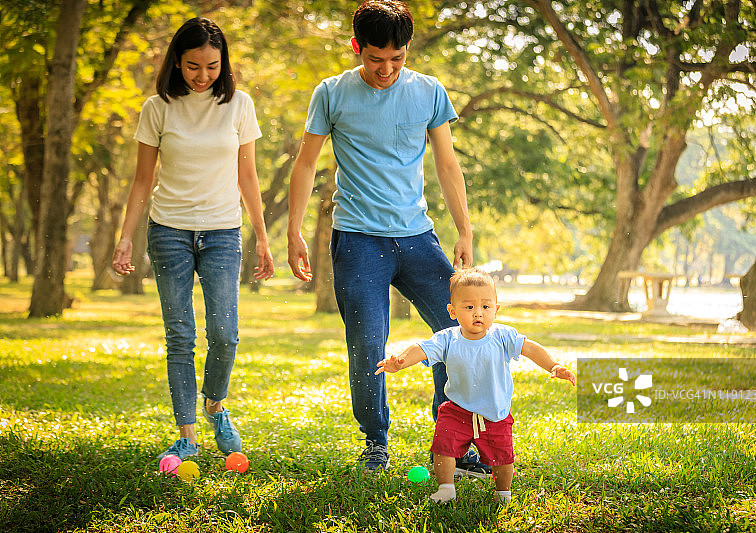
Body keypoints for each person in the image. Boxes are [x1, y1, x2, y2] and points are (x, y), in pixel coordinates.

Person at [287, 0, 486, 474]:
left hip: (418, 238)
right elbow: (306, 163)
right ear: (357, 48)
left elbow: (446, 163)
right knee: (368, 345)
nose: (387, 69)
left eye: (397, 58)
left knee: (458, 334)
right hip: (358, 240)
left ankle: (454, 444)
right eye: (376, 59)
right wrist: (293, 231)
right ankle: (376, 440)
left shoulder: (429, 92)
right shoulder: (331, 93)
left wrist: (464, 228)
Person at [112, 17, 274, 460]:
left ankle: (215, 405)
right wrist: (125, 237)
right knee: (180, 334)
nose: (203, 76)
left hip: (222, 230)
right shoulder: (157, 107)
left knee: (225, 334)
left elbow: (248, 175)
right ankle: (186, 433)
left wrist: (261, 236)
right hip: (169, 231)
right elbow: (143, 180)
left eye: (211, 66)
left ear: (223, 64)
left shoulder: (239, 105)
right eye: (192, 66)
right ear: (176, 63)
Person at [376, 268, 576, 504]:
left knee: (503, 457)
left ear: (496, 309)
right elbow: (421, 349)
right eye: (469, 307)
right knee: (443, 448)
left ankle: (503, 492)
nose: (478, 313)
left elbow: (530, 348)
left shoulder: (502, 335)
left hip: (495, 412)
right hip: (457, 409)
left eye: (485, 306)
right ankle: (446, 488)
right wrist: (400, 361)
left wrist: (553, 366)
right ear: (453, 311)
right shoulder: (447, 338)